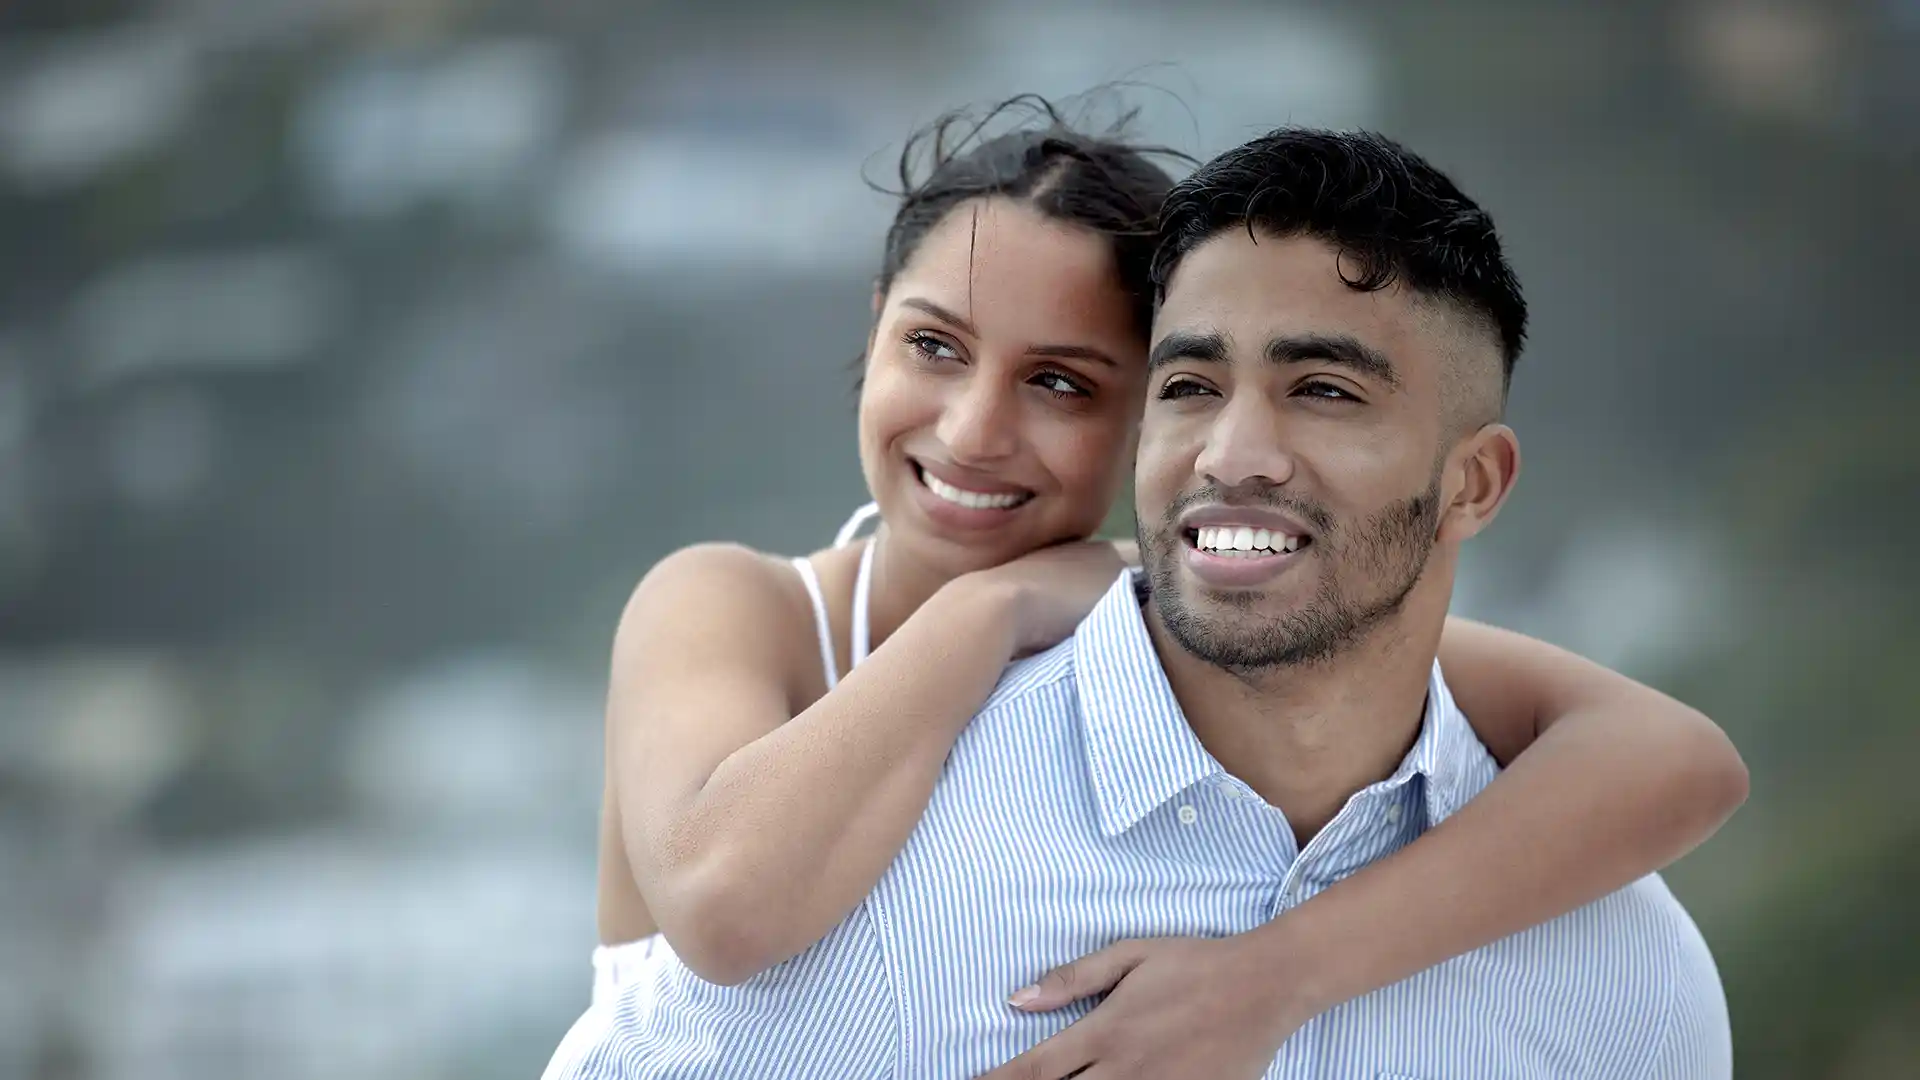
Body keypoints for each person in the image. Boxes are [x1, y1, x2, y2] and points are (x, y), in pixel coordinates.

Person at [547, 103, 1744, 1080]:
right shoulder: (742, 605)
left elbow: (1672, 759)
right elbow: (722, 912)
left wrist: (1277, 975)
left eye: (1064, 383)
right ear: (877, 328)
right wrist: (990, 611)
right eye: (934, 346)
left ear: (1141, 418)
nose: (972, 430)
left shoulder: (1223, 610)